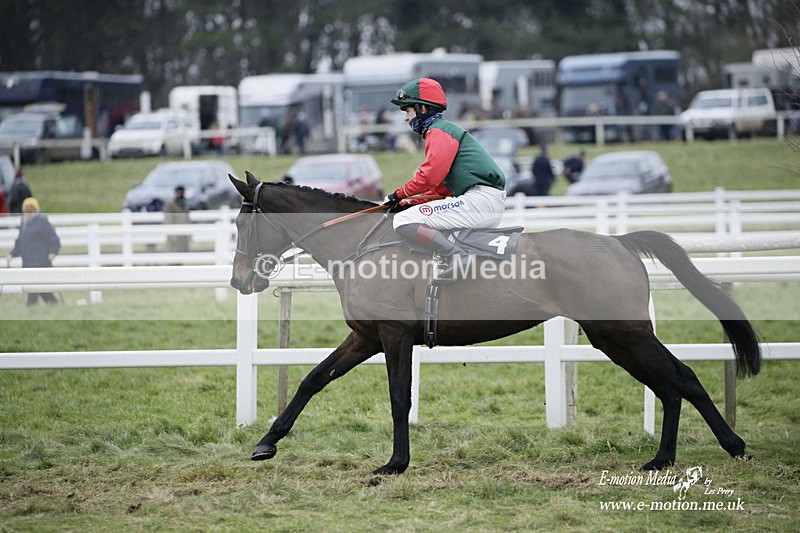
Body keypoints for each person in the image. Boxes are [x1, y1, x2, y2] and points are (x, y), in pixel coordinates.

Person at [385, 77, 506, 283]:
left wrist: (399, 194)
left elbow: (429, 175)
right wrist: (407, 202)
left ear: (422, 108)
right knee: (408, 213)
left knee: (403, 220)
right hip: (480, 200)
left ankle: (456, 255)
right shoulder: (440, 131)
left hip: (479, 201)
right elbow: (441, 191)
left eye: (408, 111)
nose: (406, 118)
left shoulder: (438, 131)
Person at [9, 197, 61, 305]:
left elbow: (53, 238)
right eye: (26, 208)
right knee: (38, 288)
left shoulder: (42, 221)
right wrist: (12, 253)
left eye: (31, 208)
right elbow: (20, 241)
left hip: (40, 261)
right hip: (28, 262)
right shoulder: (24, 222)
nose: (28, 210)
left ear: (35, 209)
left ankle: (32, 308)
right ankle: (52, 305)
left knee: (35, 288)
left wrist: (53, 252)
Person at [163, 186, 190, 253]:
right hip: (174, 232)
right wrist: (172, 233)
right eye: (179, 192)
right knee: (173, 250)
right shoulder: (170, 205)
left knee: (182, 251)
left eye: (182, 192)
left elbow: (187, 218)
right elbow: (168, 220)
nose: (181, 194)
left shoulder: (184, 204)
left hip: (183, 232)